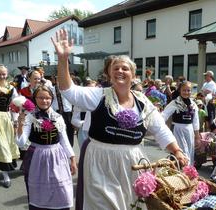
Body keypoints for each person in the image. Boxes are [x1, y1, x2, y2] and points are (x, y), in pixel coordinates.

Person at [51, 28, 188, 210]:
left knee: (131, 205)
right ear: (109, 74)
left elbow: (160, 129)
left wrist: (177, 151)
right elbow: (69, 91)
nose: (120, 71)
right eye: (116, 68)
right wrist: (63, 60)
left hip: (133, 163)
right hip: (100, 161)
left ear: (133, 74)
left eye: (125, 68)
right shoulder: (98, 95)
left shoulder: (142, 101)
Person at [16, 85, 77, 210]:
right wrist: (20, 124)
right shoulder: (29, 117)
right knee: (39, 191)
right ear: (35, 98)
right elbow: (21, 143)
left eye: (48, 98)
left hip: (57, 156)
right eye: (41, 98)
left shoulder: (58, 117)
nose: (44, 101)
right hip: (37, 156)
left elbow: (64, 140)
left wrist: (72, 159)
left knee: (61, 190)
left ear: (52, 99)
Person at [162, 81, 200, 165]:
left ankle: (188, 172)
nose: (186, 92)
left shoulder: (193, 104)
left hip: (189, 130)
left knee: (189, 151)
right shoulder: (175, 103)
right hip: (178, 129)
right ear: (180, 91)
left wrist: (197, 136)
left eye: (188, 90)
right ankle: (180, 171)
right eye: (184, 90)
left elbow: (195, 121)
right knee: (181, 152)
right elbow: (164, 115)